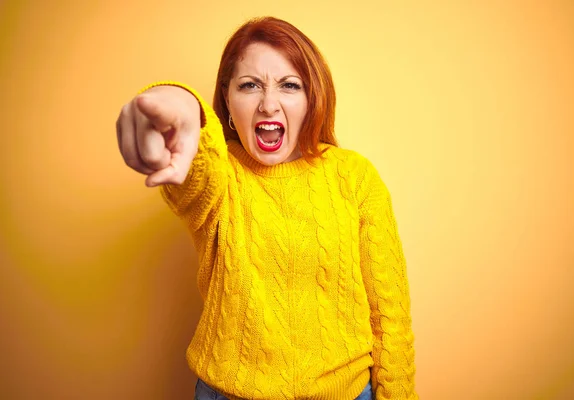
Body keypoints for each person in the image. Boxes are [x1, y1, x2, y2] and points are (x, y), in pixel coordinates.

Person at [116, 16, 417, 400]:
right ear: (226, 98)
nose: (268, 105)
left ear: (312, 99)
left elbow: (390, 315)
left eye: (290, 86)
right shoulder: (220, 174)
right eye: (249, 86)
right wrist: (178, 103)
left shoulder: (354, 176)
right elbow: (193, 167)